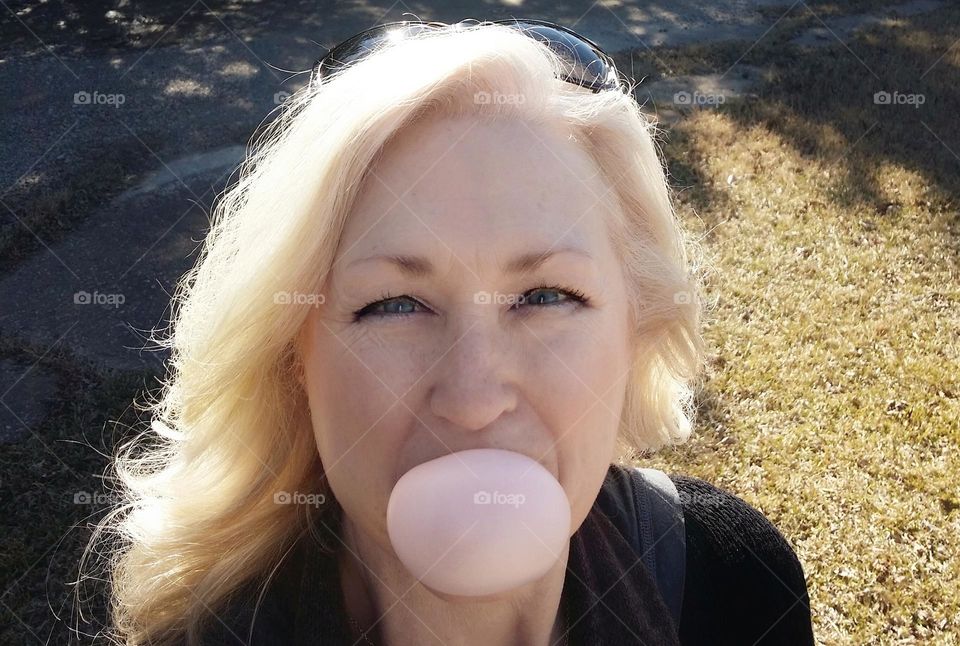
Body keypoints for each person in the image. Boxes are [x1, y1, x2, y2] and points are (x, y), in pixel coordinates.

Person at [82, 19, 814, 646]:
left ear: (638, 328)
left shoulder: (733, 585)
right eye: (396, 304)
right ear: (292, 355)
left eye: (547, 295)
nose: (473, 395)